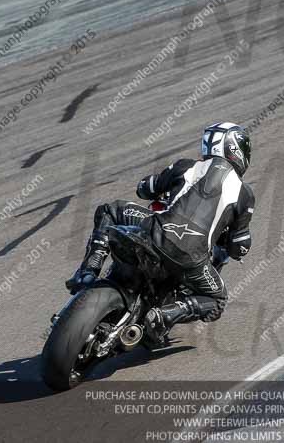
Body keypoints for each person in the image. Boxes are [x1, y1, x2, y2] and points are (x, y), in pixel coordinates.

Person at [66, 122, 255, 344]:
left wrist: (162, 187)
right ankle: (167, 315)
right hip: (193, 259)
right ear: (235, 149)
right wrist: (234, 243)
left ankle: (88, 271)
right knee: (217, 299)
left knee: (110, 210)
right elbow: (240, 244)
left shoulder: (186, 166)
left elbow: (144, 188)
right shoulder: (245, 194)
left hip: (156, 230)